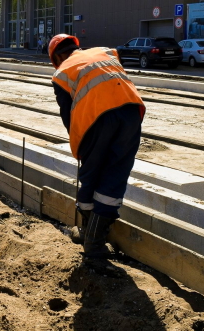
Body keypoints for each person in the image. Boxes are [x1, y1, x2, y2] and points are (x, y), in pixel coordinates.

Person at [48, 34, 146, 259]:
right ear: (76, 46)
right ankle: (93, 235)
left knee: (91, 175)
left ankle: (91, 241)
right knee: (115, 174)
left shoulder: (62, 72)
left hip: (97, 120)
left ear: (56, 58)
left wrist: (81, 150)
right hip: (131, 113)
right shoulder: (105, 51)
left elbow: (69, 120)